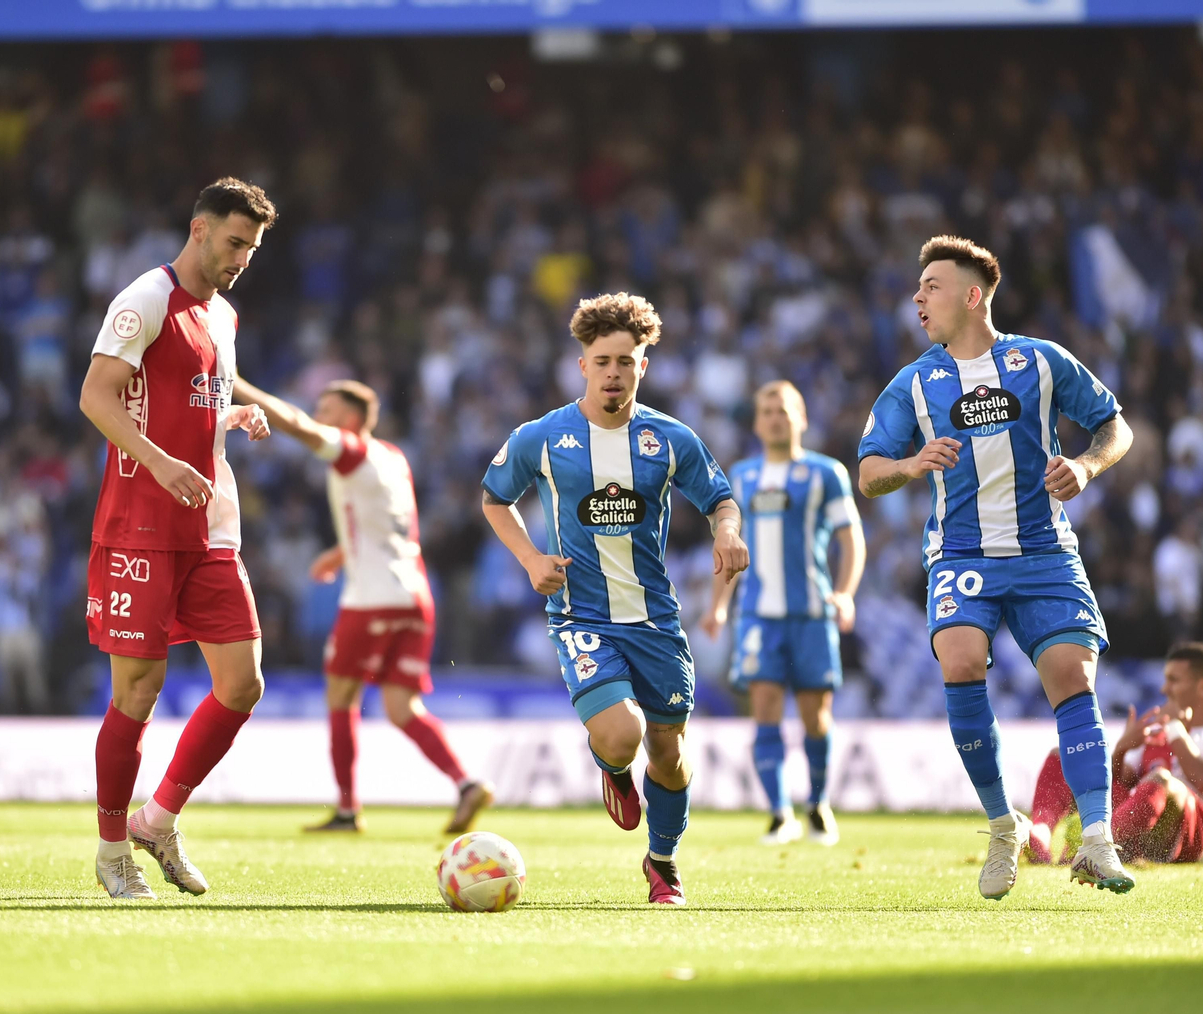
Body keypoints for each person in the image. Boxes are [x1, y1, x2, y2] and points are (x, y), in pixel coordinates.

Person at [858, 235, 1136, 900]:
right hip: (963, 553)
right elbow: (868, 472)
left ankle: (1097, 840)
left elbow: (1115, 426)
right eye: (919, 286)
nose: (918, 297)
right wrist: (910, 463)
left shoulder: (1039, 361)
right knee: (959, 660)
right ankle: (1001, 825)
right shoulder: (915, 381)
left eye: (931, 285)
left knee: (1073, 675)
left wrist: (1088, 465)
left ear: (972, 294)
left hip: (1043, 551)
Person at [481, 292, 749, 905]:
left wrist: (728, 531)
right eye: (602, 361)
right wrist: (530, 559)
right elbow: (495, 498)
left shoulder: (669, 437)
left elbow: (719, 499)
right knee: (623, 735)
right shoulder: (543, 436)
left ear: (643, 366)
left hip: (655, 620)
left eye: (626, 361)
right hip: (582, 616)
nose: (613, 372)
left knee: (669, 754)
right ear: (582, 365)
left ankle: (662, 860)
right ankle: (612, 766)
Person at [77, 178, 277, 900]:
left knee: (242, 681)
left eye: (251, 249)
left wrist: (232, 420)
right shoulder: (144, 299)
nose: (241, 259)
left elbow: (188, 403)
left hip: (210, 524)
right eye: (234, 244)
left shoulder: (222, 316)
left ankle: (156, 819)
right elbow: (96, 395)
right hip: (140, 522)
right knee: (138, 689)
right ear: (198, 230)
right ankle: (110, 850)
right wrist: (160, 460)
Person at [230, 374, 494, 834]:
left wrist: (235, 382)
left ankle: (348, 810)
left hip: (371, 599)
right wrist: (341, 552)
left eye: (327, 411)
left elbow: (293, 423)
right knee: (401, 708)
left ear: (350, 420)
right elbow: (393, 524)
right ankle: (466, 782)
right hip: (414, 595)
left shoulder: (351, 451)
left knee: (340, 696)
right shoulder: (393, 457)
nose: (319, 419)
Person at [703, 380, 865, 846]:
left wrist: (845, 592)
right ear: (757, 422)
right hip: (758, 615)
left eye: (784, 409)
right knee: (765, 712)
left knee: (817, 717)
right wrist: (718, 606)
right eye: (768, 410)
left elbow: (850, 538)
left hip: (812, 614)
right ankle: (778, 813)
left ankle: (816, 803)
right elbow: (727, 548)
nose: (776, 417)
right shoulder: (743, 476)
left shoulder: (824, 473)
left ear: (802, 418)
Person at [1026, 642, 1203, 866]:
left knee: (1162, 779)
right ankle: (1041, 835)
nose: (1164, 689)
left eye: (1173, 680)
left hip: (1195, 838)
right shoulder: (1158, 735)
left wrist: (1175, 726)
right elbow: (1120, 784)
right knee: (1067, 757)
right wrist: (1122, 749)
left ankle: (1097, 846)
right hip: (1140, 829)